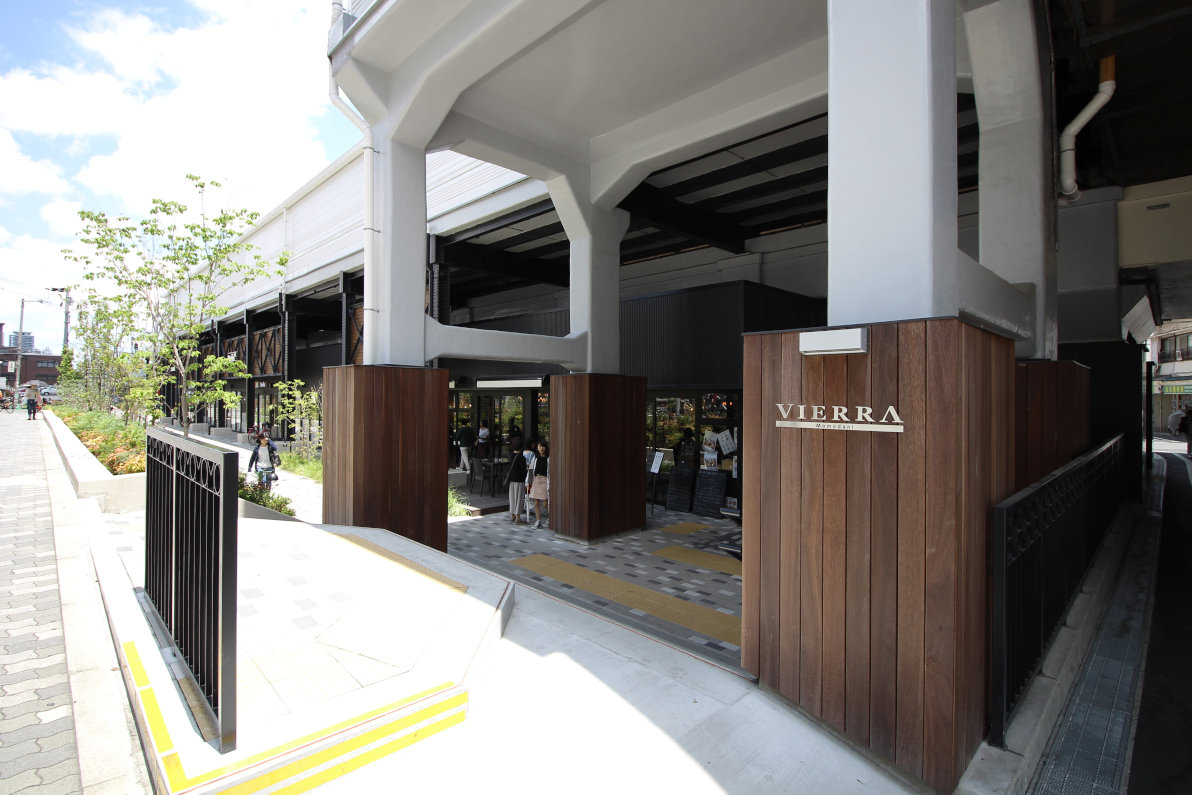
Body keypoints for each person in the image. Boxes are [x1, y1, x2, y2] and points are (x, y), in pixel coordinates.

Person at [527, 440, 550, 529]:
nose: (541, 448)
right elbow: (531, 470)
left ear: (546, 448)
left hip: (545, 480)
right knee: (536, 502)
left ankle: (550, 518)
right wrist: (528, 482)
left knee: (545, 503)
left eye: (543, 446)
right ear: (537, 447)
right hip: (536, 479)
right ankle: (538, 520)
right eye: (540, 446)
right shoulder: (535, 458)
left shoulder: (549, 459)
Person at [504, 441, 529, 523]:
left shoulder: (511, 455)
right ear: (521, 447)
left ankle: (512, 515)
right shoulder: (521, 457)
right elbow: (523, 471)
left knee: (512, 498)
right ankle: (518, 517)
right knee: (519, 498)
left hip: (511, 480)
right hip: (519, 480)